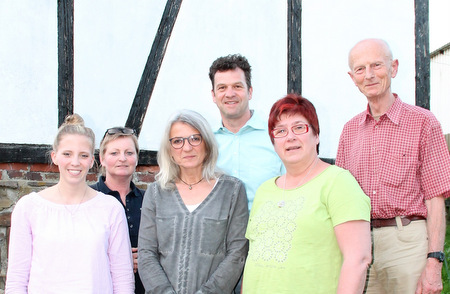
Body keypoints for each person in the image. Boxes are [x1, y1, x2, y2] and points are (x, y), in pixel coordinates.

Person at [336, 38, 450, 294]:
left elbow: (435, 199)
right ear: (352, 77)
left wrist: (434, 261)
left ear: (393, 68)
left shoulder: (424, 123)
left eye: (376, 65)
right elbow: (340, 199)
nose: (369, 75)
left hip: (407, 242)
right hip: (359, 245)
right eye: (360, 69)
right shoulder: (349, 131)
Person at [242, 94, 372, 293]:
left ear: (316, 135)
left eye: (299, 127)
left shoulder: (338, 182)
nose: (290, 137)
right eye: (280, 131)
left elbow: (358, 259)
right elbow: (254, 258)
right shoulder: (265, 190)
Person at [5, 114, 134, 293]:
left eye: (83, 155)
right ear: (54, 156)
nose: (75, 162)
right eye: (67, 154)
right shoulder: (29, 208)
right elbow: (17, 281)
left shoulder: (110, 209)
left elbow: (123, 280)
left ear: (91, 161)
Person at [138, 109, 249, 294]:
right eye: (178, 141)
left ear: (207, 143)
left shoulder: (232, 191)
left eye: (195, 139)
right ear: (170, 150)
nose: (187, 148)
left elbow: (237, 253)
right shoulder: (156, 193)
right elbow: (146, 254)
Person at [209, 54, 284, 209]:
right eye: (222, 88)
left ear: (250, 92)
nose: (230, 94)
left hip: (267, 229)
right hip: (219, 231)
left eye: (237, 86)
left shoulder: (276, 135)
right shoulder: (205, 141)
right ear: (214, 95)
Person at [91, 126, 145, 294]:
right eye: (114, 153)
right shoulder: (88, 198)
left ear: (136, 158)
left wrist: (147, 258)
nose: (122, 158)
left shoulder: (150, 200)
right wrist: (120, 259)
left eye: (129, 153)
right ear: (102, 158)